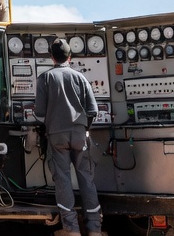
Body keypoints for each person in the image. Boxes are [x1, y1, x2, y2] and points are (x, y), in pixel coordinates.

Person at [34, 38, 103, 236]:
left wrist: (51, 122)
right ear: (70, 57)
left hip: (56, 136)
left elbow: (39, 114)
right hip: (80, 134)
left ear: (51, 57)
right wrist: (84, 128)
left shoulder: (45, 78)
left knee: (63, 179)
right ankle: (94, 228)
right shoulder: (80, 78)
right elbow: (93, 110)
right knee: (86, 178)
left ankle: (71, 229)